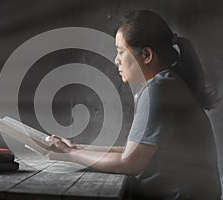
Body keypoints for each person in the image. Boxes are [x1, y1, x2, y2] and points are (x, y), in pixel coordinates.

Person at [46, 10, 222, 200]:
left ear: (146, 55)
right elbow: (133, 152)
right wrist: (77, 148)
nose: (116, 60)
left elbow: (130, 163)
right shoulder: (166, 83)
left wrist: (69, 154)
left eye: (120, 51)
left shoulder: (159, 89)